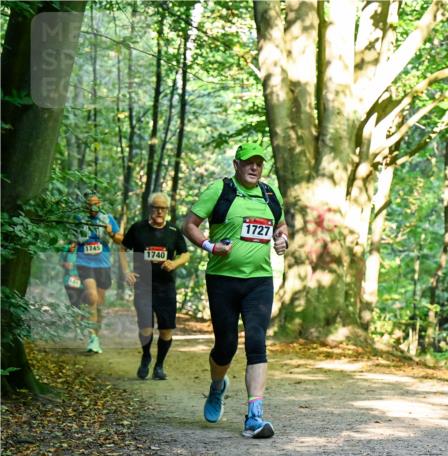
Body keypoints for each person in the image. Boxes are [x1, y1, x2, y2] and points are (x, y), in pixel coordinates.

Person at [182, 142, 289, 439]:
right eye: (248, 162)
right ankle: (217, 386)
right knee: (225, 345)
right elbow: (189, 225)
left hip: (259, 281)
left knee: (257, 341)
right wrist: (210, 246)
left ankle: (254, 417)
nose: (254, 167)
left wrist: (282, 239)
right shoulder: (220, 191)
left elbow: (281, 226)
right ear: (236, 165)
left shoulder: (270, 194)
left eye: (259, 163)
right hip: (222, 280)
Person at [121, 192, 190, 380]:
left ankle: (159, 365)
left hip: (166, 287)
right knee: (146, 328)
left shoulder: (173, 231)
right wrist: (126, 271)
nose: (159, 211)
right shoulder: (138, 228)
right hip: (143, 286)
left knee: (166, 329)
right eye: (156, 208)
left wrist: (174, 263)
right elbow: (122, 248)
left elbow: (185, 254)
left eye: (163, 208)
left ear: (167, 210)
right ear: (150, 208)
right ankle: (146, 356)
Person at [75, 192, 123, 353]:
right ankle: (92, 338)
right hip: (84, 262)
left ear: (100, 204)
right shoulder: (79, 219)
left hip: (103, 264)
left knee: (99, 305)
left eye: (96, 204)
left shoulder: (107, 218)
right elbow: (70, 238)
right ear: (85, 206)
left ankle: (96, 336)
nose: (93, 208)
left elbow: (120, 239)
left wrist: (110, 232)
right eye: (90, 205)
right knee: (92, 297)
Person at [60, 242, 85, 307]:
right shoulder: (68, 247)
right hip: (70, 279)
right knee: (74, 303)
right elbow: (61, 261)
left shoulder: (88, 247)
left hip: (85, 281)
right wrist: (65, 264)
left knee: (84, 305)